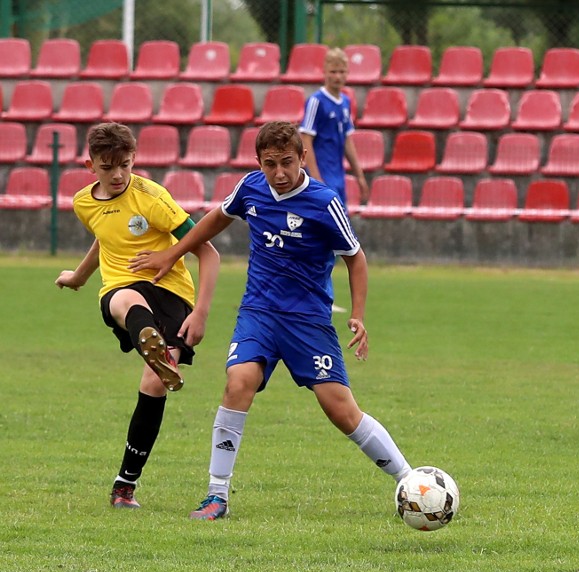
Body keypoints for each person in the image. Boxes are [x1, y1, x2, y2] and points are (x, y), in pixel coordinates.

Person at [129, 121, 412, 520]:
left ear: (303, 158)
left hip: (307, 321)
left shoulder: (324, 202)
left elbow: (355, 258)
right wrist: (172, 254)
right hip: (258, 313)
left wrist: (359, 315)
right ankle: (216, 495)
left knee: (340, 410)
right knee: (238, 382)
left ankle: (410, 481)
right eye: (270, 164)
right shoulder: (251, 187)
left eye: (287, 163)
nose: (279, 173)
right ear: (258, 162)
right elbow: (215, 218)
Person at [55, 122, 220, 508]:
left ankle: (124, 485)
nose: (117, 175)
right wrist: (79, 276)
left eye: (125, 165)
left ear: (135, 160)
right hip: (123, 290)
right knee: (124, 299)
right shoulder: (83, 202)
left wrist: (201, 312)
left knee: (154, 385)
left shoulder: (153, 198)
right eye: (108, 166)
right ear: (89, 164)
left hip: (172, 293)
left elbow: (207, 251)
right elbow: (105, 236)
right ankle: (156, 348)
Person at [300, 47, 370, 314]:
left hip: (338, 182)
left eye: (342, 71)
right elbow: (306, 140)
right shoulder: (316, 102)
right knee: (318, 237)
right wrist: (316, 181)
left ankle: (322, 294)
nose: (337, 76)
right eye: (333, 71)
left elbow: (348, 141)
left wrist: (359, 175)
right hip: (323, 181)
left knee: (336, 239)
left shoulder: (346, 103)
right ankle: (312, 292)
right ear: (324, 72)